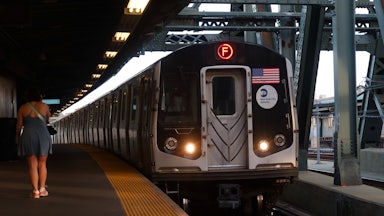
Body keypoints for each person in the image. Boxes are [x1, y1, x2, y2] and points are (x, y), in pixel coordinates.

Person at [16, 88, 52, 199]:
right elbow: (47, 121)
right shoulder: (44, 106)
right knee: (42, 164)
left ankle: (35, 191)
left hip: (28, 136)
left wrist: (17, 138)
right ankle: (42, 189)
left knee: (32, 165)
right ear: (39, 96)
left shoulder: (22, 108)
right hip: (42, 135)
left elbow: (19, 126)